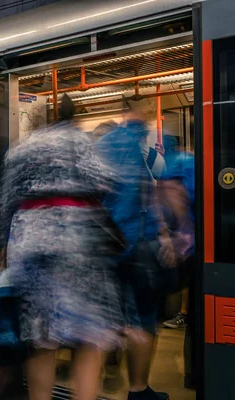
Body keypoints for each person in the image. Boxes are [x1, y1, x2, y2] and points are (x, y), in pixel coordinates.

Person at [0, 95, 125, 400]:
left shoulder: (21, 147)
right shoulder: (83, 142)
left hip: (30, 242)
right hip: (79, 242)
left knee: (41, 339)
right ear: (74, 118)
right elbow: (107, 182)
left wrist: (3, 249)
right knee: (91, 338)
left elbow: (3, 204)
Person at [95, 114, 175, 400]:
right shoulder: (142, 151)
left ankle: (97, 379)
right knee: (141, 319)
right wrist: (164, 234)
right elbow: (159, 185)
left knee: (103, 317)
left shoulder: (96, 154)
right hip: (137, 247)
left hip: (102, 249)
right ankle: (139, 389)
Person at [157, 134, 196, 389]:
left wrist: (175, 233)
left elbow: (171, 195)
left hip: (187, 237)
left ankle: (194, 373)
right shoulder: (192, 160)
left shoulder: (174, 163)